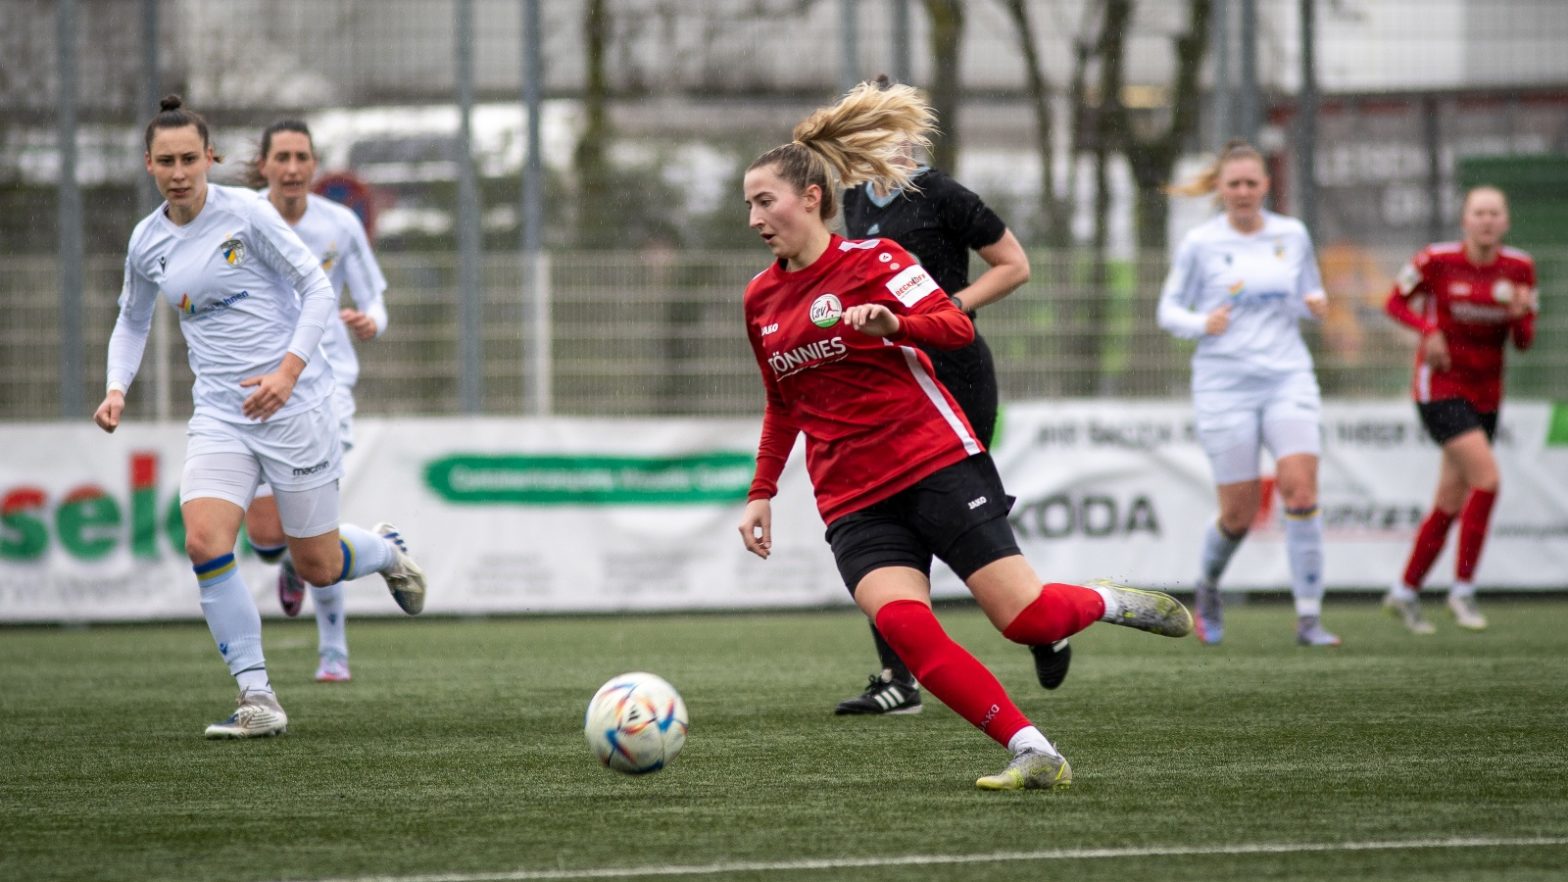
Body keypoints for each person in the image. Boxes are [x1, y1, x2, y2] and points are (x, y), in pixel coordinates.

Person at [737, 81, 1192, 791]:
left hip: (934, 463)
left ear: (813, 198)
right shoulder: (759, 298)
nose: (755, 217)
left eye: (765, 200)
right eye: (749, 204)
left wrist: (896, 324)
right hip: (852, 499)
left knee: (1026, 618)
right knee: (910, 634)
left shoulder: (876, 262)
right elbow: (780, 402)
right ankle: (1033, 749)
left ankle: (1105, 600)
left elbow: (952, 326)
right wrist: (761, 492)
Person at [94, 96, 427, 739]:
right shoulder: (147, 240)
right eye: (166, 161)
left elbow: (318, 290)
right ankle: (258, 697)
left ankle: (385, 552)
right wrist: (116, 387)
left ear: (210, 158)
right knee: (205, 542)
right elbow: (131, 319)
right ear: (149, 166)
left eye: (190, 157)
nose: (179, 170)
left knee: (316, 566)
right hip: (220, 415)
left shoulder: (247, 215)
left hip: (295, 407)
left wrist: (286, 373)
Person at [833, 79, 1068, 717]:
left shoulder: (942, 194)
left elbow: (1014, 264)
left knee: (959, 517)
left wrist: (951, 306)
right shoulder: (854, 199)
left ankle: (1044, 621)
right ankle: (899, 679)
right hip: (894, 381)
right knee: (887, 517)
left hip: (955, 374)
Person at [1156, 139, 1340, 648]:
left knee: (1300, 490)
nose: (1242, 191)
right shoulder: (1201, 243)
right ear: (1220, 187)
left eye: (1251, 183)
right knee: (1238, 514)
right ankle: (1209, 588)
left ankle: (1309, 617)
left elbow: (1307, 299)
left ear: (1266, 186)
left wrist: (1316, 306)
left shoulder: (1292, 235)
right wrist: (1202, 322)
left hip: (1287, 378)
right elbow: (1168, 311)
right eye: (1232, 183)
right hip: (1224, 385)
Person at [242, 120, 391, 683]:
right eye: (281, 156)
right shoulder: (243, 217)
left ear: (314, 164)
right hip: (258, 389)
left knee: (319, 532)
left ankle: (334, 650)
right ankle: (286, 562)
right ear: (264, 165)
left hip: (326, 390)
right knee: (264, 536)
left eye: (302, 156)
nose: (292, 167)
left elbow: (374, 295)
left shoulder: (339, 224)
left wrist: (370, 321)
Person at [1381, 186, 1536, 633]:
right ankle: (1463, 591)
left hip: (1487, 395)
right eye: (1478, 213)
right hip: (1441, 388)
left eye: (1494, 213)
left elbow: (1524, 343)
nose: (1486, 220)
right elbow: (1394, 302)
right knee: (1487, 481)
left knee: (1449, 500)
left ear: (1505, 222)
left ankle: (1405, 591)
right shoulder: (1436, 259)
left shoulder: (1520, 268)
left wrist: (1521, 315)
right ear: (1464, 220)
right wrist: (1428, 328)